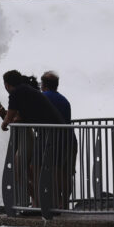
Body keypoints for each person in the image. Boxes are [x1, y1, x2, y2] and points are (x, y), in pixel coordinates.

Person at [0, 70, 64, 208]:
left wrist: (3, 122)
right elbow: (18, 118)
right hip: (55, 132)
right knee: (35, 171)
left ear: (7, 85)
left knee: (22, 171)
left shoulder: (16, 93)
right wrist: (5, 115)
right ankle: (46, 201)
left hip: (49, 134)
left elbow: (11, 118)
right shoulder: (27, 91)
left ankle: (41, 202)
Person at [40, 71, 77, 207]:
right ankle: (64, 202)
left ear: (44, 85)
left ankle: (55, 203)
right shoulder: (64, 99)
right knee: (65, 171)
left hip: (54, 139)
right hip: (69, 137)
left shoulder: (43, 97)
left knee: (55, 170)